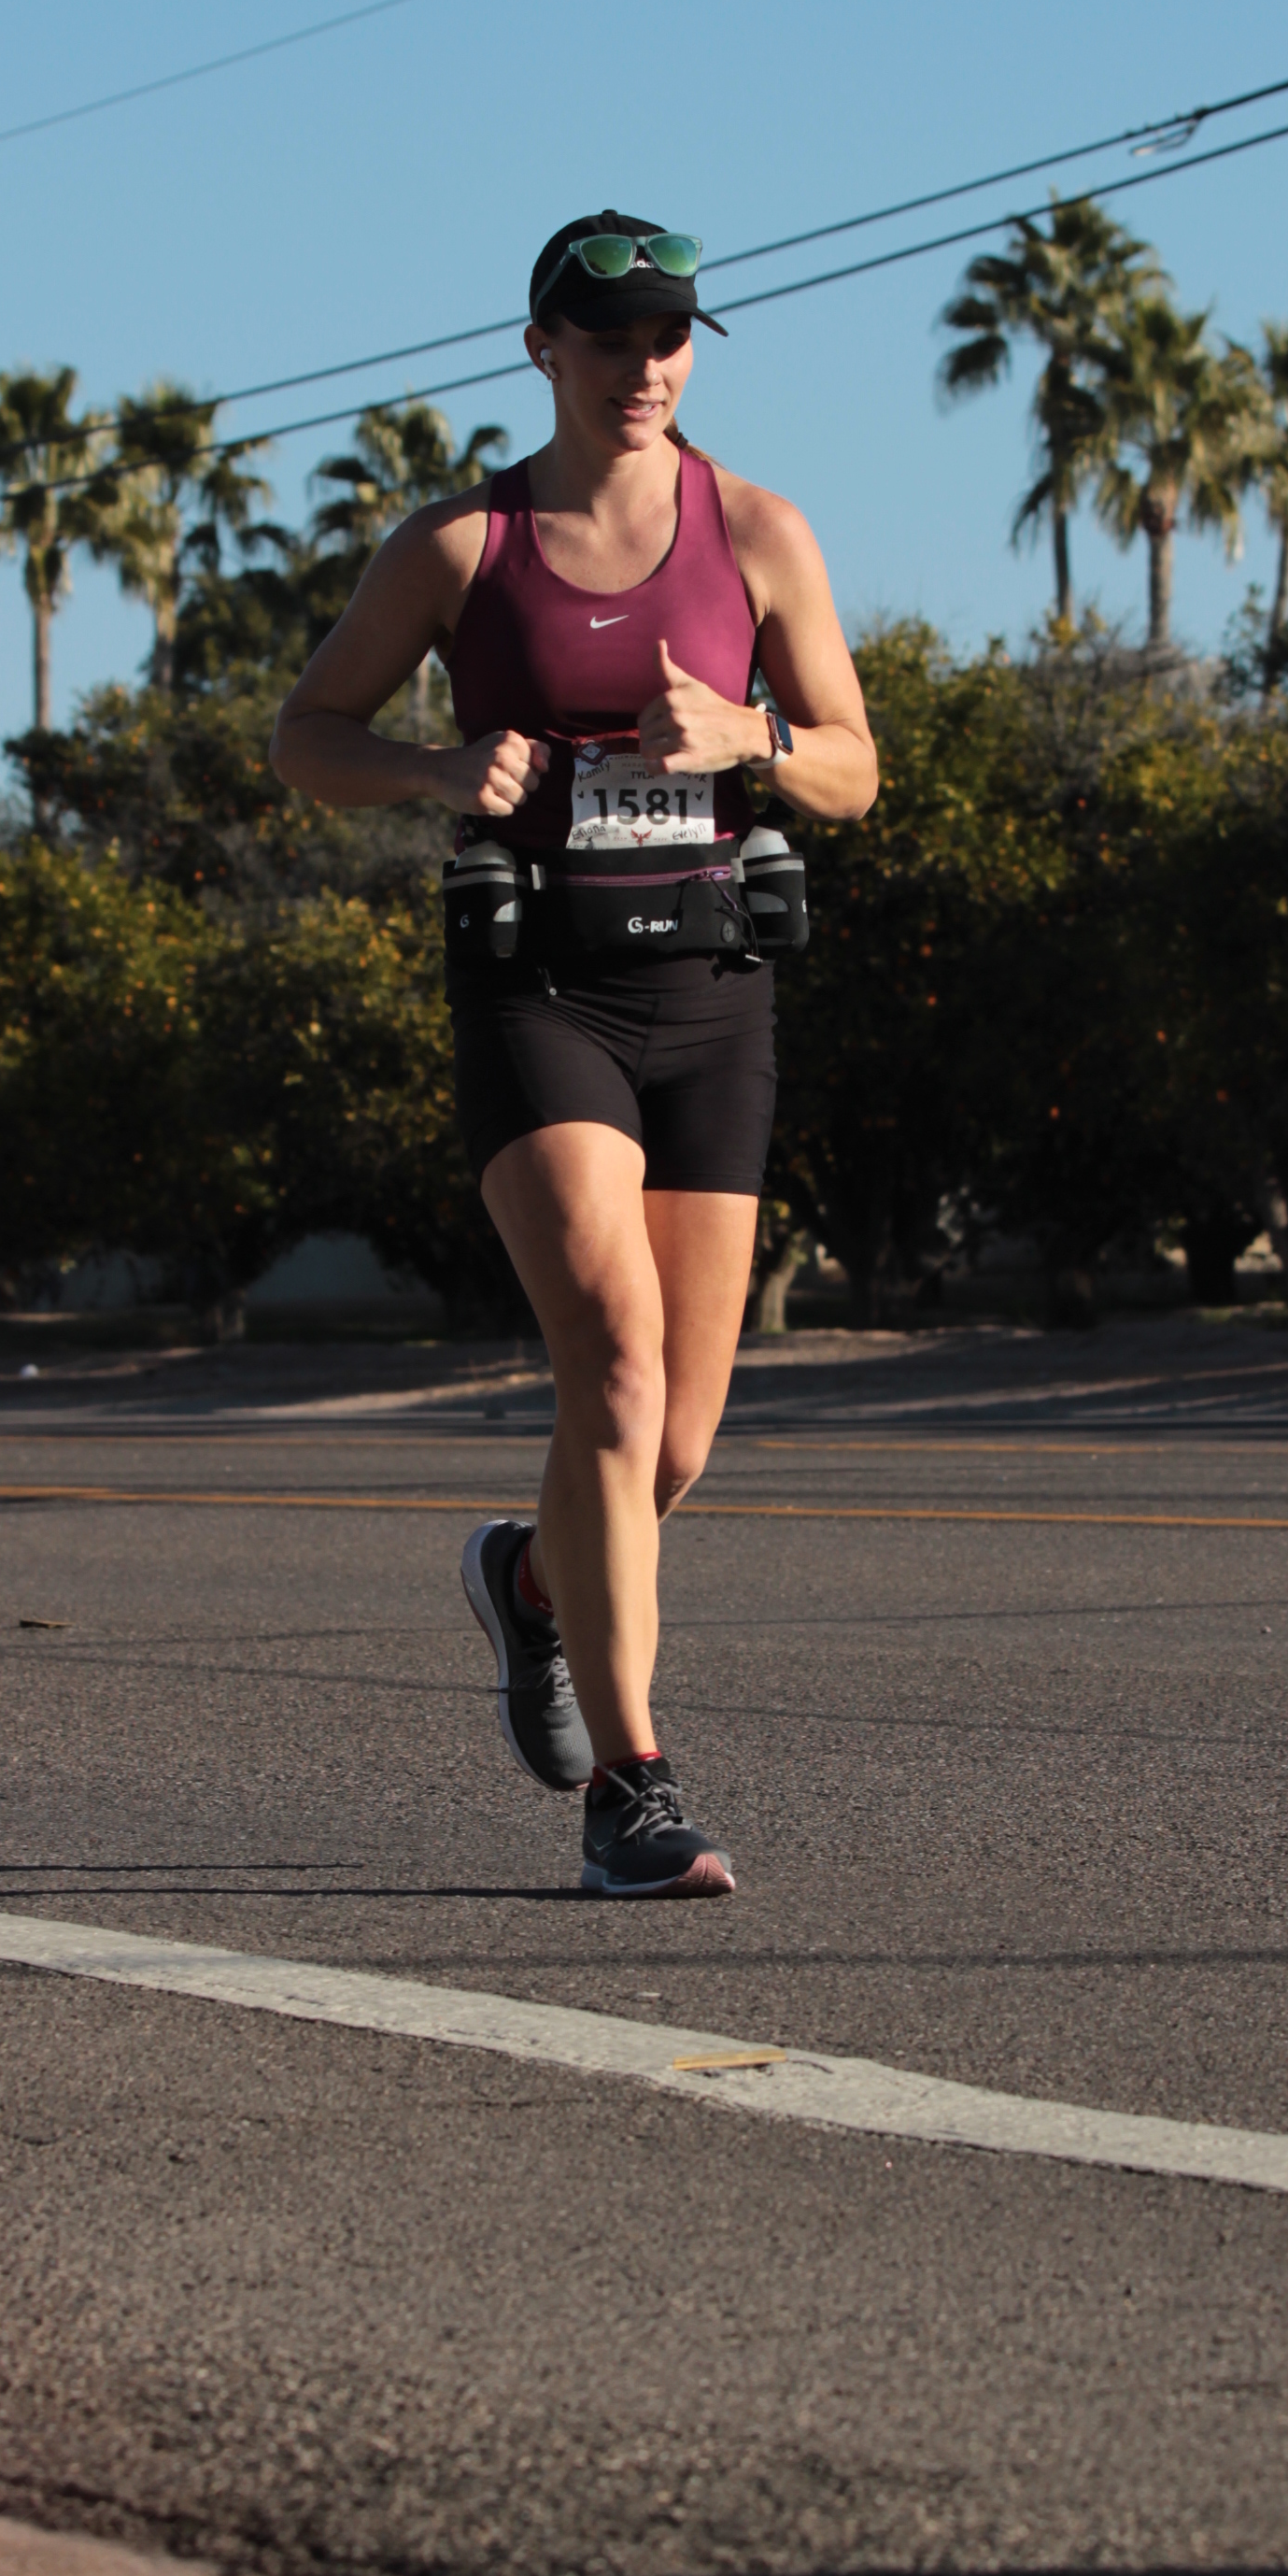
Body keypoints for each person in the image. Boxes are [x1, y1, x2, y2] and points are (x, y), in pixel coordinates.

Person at [271, 211, 877, 1894]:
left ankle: (529, 1581)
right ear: (543, 348)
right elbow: (304, 735)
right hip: (542, 994)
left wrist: (750, 732)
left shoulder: (757, 530)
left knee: (673, 1443)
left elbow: (854, 768)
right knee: (608, 1367)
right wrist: (433, 769)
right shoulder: (461, 545)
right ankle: (635, 1785)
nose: (646, 367)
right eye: (612, 340)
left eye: (671, 338)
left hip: (714, 991)